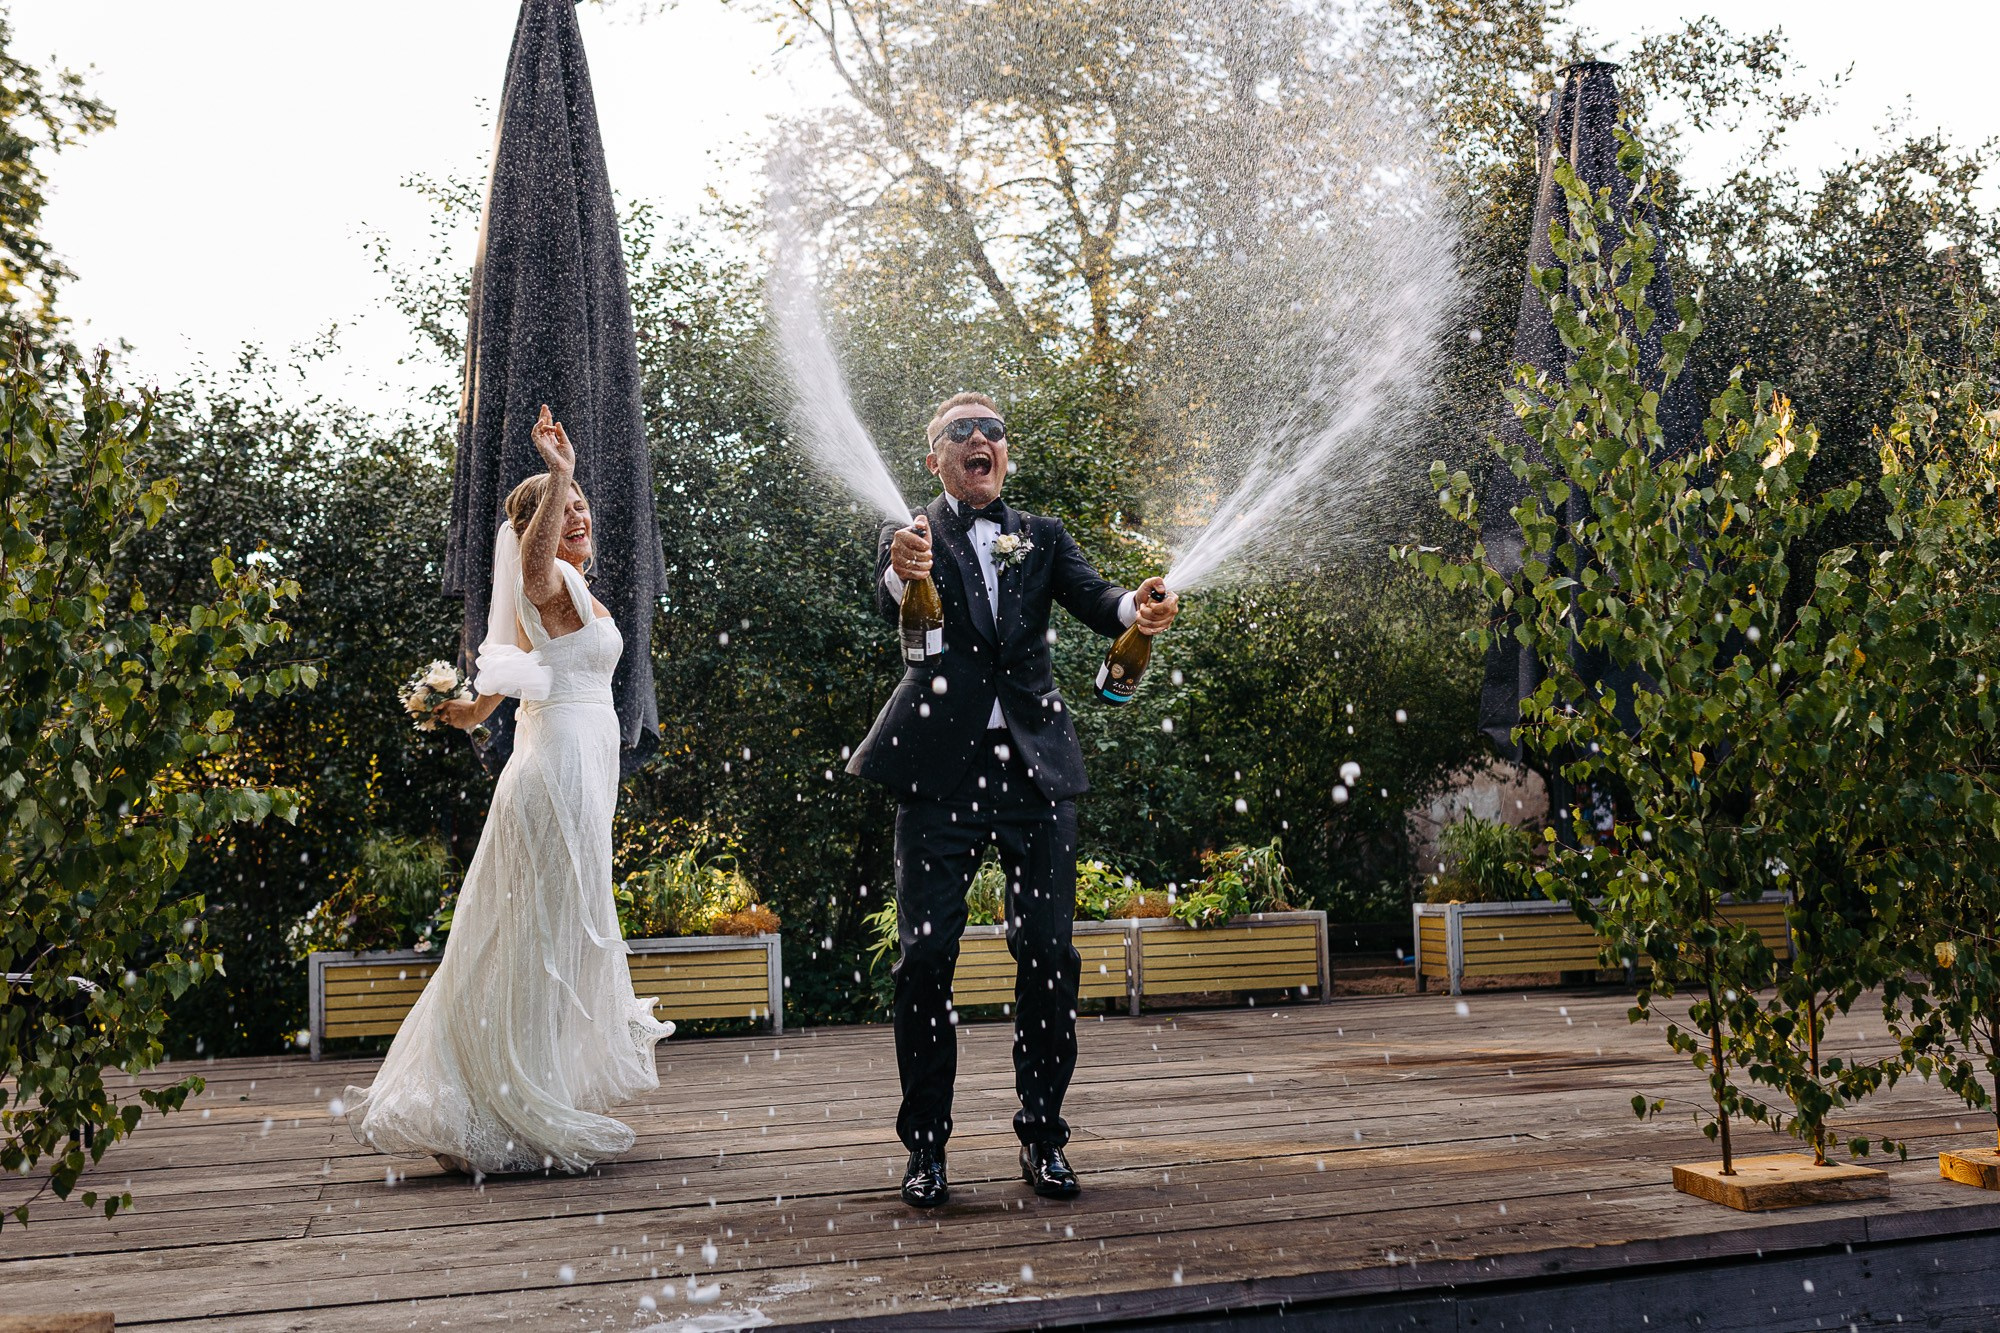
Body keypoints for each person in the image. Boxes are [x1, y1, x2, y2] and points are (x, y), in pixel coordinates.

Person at [847, 392, 1179, 1207]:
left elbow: (1100, 600)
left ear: (1005, 454)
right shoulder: (913, 534)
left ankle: (1043, 1137)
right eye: (961, 430)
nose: (979, 438)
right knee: (925, 959)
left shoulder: (1045, 536)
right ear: (936, 458)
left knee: (1049, 956)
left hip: (1036, 773)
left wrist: (1139, 609)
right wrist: (902, 569)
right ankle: (925, 1149)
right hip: (938, 774)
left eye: (991, 429)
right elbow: (889, 592)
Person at [340, 405, 673, 1178]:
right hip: (555, 768)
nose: (581, 514)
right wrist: (556, 471)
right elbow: (528, 575)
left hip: (578, 767)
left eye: (585, 504)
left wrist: (459, 708)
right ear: (536, 527)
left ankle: (510, 1086)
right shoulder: (545, 576)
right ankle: (498, 1096)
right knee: (538, 936)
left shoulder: (561, 600)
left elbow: (505, 684)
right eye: (567, 507)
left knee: (545, 933)